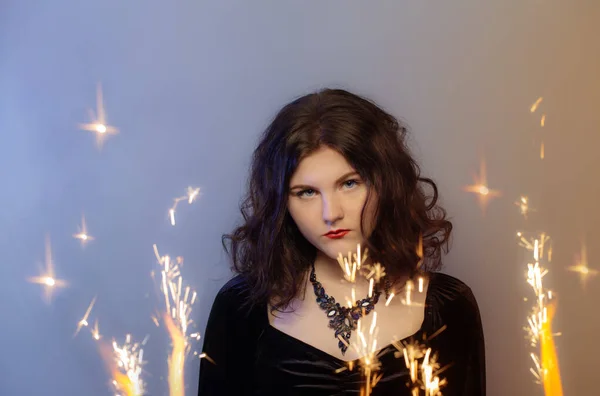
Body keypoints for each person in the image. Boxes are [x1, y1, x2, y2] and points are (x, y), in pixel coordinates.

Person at [198, 88, 486, 395]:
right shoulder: (241, 308)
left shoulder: (450, 307)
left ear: (386, 185)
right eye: (306, 192)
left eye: (350, 183)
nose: (330, 213)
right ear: (282, 204)